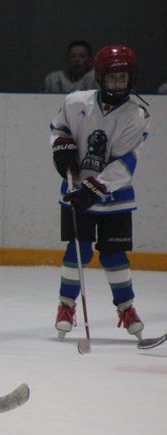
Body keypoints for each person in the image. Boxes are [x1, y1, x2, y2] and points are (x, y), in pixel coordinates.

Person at [50, 44, 149, 340]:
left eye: (123, 78)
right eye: (112, 77)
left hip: (115, 197)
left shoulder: (137, 114)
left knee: (114, 256)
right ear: (101, 77)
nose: (118, 84)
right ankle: (66, 306)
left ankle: (126, 307)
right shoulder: (75, 102)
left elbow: (126, 161)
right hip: (75, 189)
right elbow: (58, 128)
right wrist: (61, 148)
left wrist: (94, 189)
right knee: (77, 251)